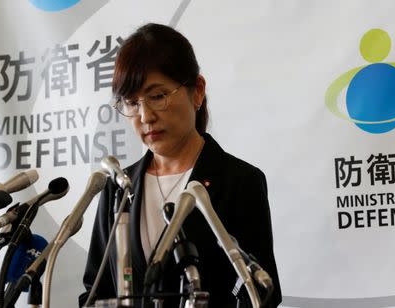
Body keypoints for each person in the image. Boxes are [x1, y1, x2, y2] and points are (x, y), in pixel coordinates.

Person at [79, 23, 281, 308]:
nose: (145, 116)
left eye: (157, 96)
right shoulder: (118, 187)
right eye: (132, 102)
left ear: (197, 91)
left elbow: (261, 292)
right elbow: (95, 291)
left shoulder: (239, 181)